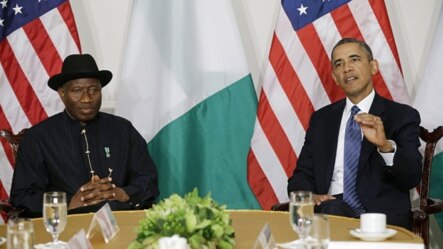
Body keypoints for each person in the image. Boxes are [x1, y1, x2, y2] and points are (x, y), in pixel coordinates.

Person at [287, 38, 422, 230]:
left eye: (354, 59)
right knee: (330, 209)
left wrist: (385, 146)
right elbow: (301, 176)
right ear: (334, 77)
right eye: (339, 64)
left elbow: (412, 176)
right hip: (330, 208)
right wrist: (310, 197)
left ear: (373, 66)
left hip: (379, 218)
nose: (346, 68)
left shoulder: (401, 115)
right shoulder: (322, 120)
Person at [10, 54, 159, 217]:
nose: (87, 99)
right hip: (66, 226)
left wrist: (121, 193)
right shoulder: (38, 137)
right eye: (77, 91)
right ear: (62, 93)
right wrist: (67, 203)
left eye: (94, 90)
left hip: (120, 219)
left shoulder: (123, 129)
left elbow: (147, 178)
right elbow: (23, 195)